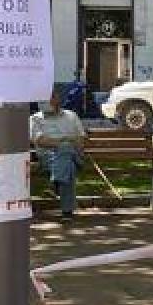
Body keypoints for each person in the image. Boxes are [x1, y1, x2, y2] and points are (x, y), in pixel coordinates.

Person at [30, 88, 88, 221]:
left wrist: (65, 143)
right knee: (68, 163)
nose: (45, 101)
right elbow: (40, 141)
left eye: (50, 97)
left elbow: (80, 140)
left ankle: (56, 182)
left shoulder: (71, 116)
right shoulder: (35, 119)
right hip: (48, 157)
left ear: (57, 99)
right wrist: (64, 141)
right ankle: (67, 212)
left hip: (74, 156)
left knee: (66, 151)